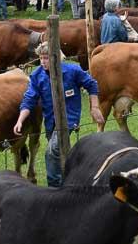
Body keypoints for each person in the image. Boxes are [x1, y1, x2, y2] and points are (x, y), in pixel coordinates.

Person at [14, 44, 104, 187]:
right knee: (61, 152)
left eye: (46, 58)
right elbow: (29, 99)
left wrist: (94, 107)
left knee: (51, 151)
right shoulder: (37, 75)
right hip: (51, 120)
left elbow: (92, 85)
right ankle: (69, 180)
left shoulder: (73, 71)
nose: (43, 61)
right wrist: (20, 120)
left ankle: (54, 187)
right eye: (41, 58)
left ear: (56, 58)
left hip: (69, 117)